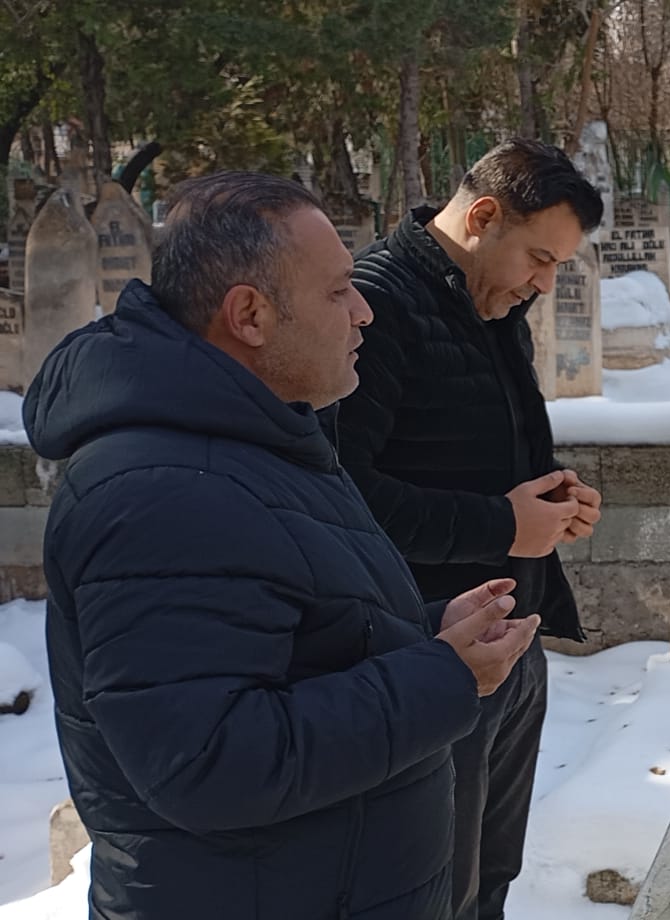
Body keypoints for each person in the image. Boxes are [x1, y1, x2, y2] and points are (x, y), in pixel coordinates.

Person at [25, 171, 538, 919]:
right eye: (338, 292)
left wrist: (428, 634)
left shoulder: (254, 441)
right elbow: (209, 761)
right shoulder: (160, 494)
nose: (364, 311)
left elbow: (288, 632)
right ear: (250, 314)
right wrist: (440, 678)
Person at [327, 138, 604, 920]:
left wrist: (556, 499)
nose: (545, 284)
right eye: (539, 259)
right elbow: (342, 496)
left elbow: (486, 453)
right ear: (482, 216)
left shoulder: (492, 298)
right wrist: (504, 523)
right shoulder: (377, 306)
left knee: (490, 878)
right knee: (435, 888)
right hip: (423, 645)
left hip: (511, 636)